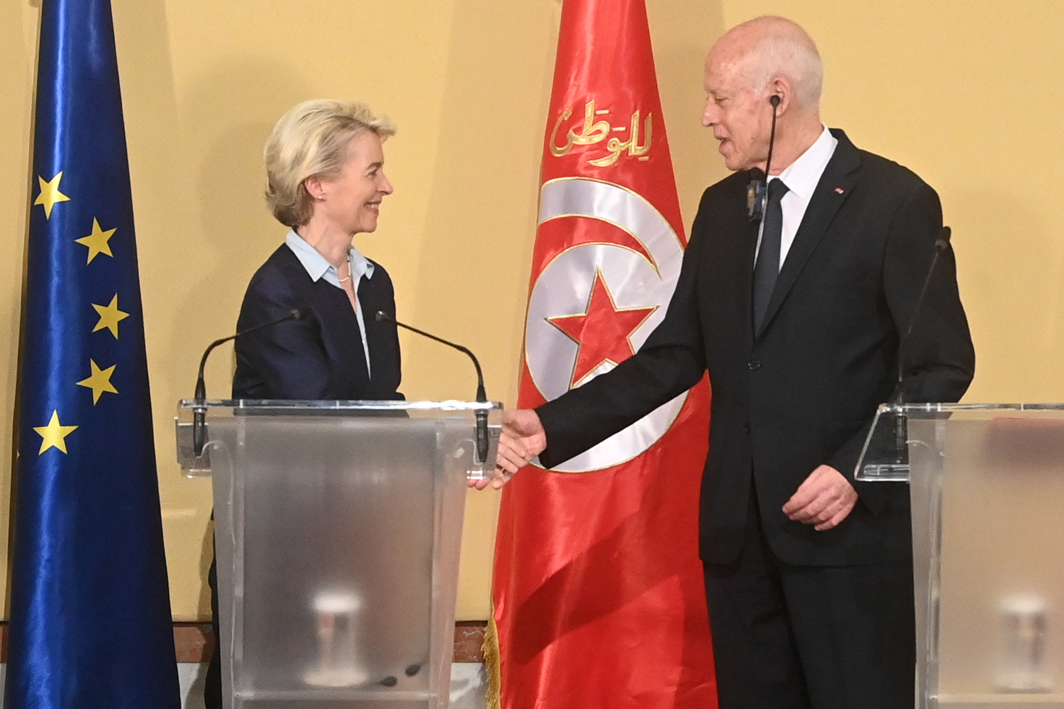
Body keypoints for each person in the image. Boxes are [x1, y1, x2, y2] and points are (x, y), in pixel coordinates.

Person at [494, 16, 975, 709]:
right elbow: (673, 355)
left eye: (720, 98)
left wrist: (855, 469)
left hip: (845, 541)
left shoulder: (894, 204)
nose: (706, 117)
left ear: (776, 96)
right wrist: (551, 424)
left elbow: (940, 368)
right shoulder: (722, 210)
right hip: (739, 546)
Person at [204, 99, 403, 709]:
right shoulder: (276, 294)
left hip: (356, 543)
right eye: (372, 172)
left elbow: (382, 402)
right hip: (283, 550)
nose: (386, 187)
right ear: (317, 183)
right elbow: (321, 422)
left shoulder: (374, 283)